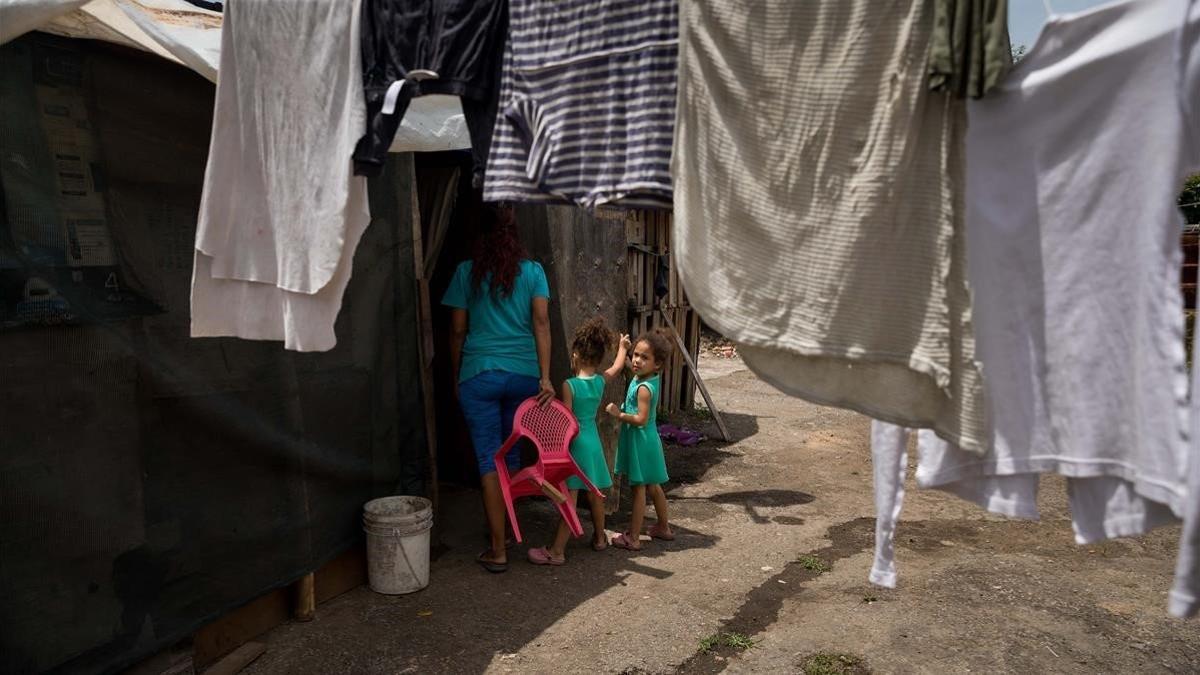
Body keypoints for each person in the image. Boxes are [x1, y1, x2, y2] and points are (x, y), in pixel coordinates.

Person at [442, 205, 554, 574]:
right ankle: (505, 531)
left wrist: (459, 373)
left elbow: (457, 329)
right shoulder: (533, 272)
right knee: (511, 457)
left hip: (480, 375)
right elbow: (541, 322)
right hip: (523, 376)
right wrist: (545, 377)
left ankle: (497, 547)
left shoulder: (465, 273)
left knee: (489, 460)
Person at [527, 319, 629, 566]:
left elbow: (568, 422)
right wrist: (624, 347)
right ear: (597, 358)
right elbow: (616, 368)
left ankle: (557, 550)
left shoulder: (569, 385)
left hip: (576, 444)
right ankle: (600, 539)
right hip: (593, 443)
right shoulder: (599, 381)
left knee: (569, 498)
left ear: (575, 355)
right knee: (595, 495)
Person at [606, 330, 675, 550]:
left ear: (657, 364)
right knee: (653, 485)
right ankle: (663, 527)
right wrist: (623, 350)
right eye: (636, 354)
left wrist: (619, 415)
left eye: (644, 357)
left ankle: (633, 538)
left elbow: (641, 419)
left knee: (639, 489)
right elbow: (629, 367)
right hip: (646, 441)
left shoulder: (645, 388)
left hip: (641, 440)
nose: (636, 360)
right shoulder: (646, 376)